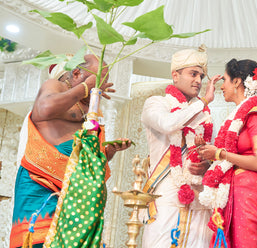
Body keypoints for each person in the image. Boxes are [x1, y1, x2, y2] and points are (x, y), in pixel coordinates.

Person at [10, 54, 131, 248]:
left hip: (74, 194)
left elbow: (85, 162)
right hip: (41, 183)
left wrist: (108, 152)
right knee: (40, 240)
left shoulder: (91, 107)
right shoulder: (56, 86)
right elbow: (44, 107)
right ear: (76, 73)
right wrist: (84, 89)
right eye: (98, 80)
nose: (100, 86)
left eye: (103, 82)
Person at [196, 59, 257, 248]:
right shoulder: (236, 117)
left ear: (237, 82)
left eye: (225, 80)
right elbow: (230, 157)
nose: (222, 87)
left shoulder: (255, 115)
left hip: (250, 193)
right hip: (236, 189)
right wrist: (211, 154)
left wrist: (219, 153)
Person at [141, 45, 220, 248]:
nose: (198, 81)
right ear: (175, 75)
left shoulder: (206, 117)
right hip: (166, 195)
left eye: (201, 76)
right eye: (193, 74)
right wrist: (202, 102)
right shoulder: (155, 103)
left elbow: (215, 155)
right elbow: (169, 124)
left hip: (199, 198)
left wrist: (207, 165)